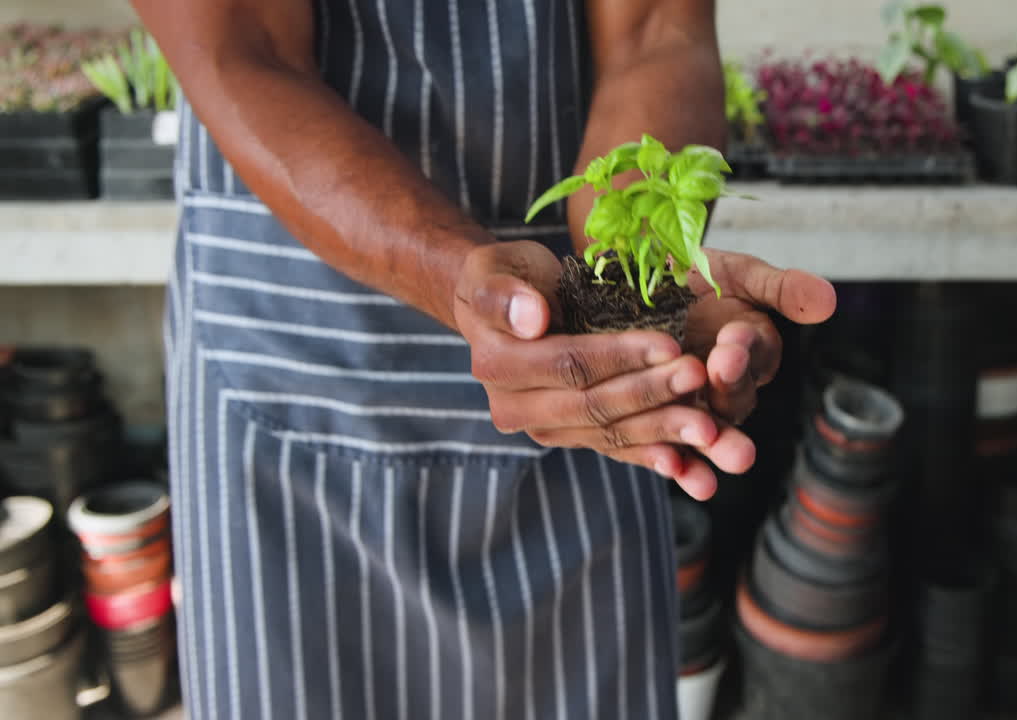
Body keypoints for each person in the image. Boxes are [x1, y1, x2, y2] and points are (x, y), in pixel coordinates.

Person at [134, 0, 836, 717]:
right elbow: (243, 53)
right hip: (294, 358)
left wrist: (635, 272)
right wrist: (460, 277)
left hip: (578, 388)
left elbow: (657, 30)